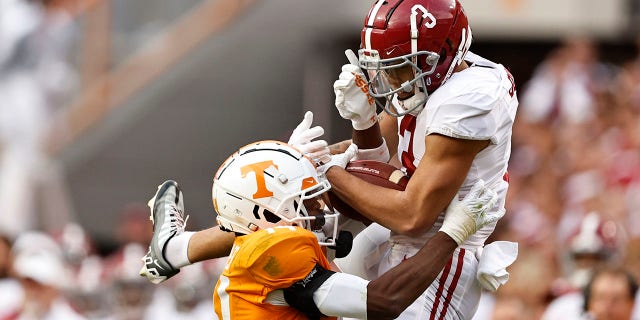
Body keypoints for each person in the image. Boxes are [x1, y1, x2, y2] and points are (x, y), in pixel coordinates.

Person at [141, 140, 503, 319]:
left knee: (381, 237)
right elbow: (382, 301)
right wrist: (450, 234)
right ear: (262, 217)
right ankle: (176, 248)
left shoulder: (261, 241)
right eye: (306, 201)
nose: (321, 208)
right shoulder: (273, 250)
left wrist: (312, 159)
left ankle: (176, 248)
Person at [324, 0, 518, 318]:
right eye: (385, 68)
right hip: (398, 237)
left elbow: (413, 216)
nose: (392, 82)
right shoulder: (441, 75)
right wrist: (363, 123)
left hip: (440, 253)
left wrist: (329, 169)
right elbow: (379, 158)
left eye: (400, 68)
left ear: (441, 56)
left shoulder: (467, 99)